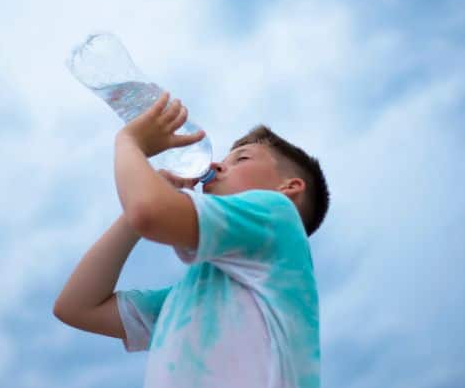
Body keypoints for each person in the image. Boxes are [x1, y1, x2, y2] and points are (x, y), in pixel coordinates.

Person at [53, 91, 330, 387]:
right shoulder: (188, 295)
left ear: (289, 187)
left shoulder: (279, 215)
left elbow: (148, 212)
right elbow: (76, 307)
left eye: (242, 158)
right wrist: (131, 219)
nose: (216, 166)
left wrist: (129, 143)